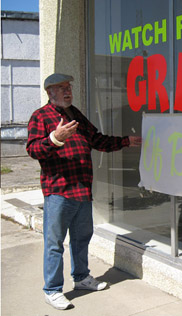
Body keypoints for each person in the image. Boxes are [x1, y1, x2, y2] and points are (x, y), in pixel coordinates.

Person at [26, 73, 142, 310]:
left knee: (81, 239)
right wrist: (54, 139)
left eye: (69, 87)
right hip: (59, 192)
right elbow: (33, 149)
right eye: (62, 88)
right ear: (50, 92)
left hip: (82, 190)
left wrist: (126, 141)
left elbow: (97, 140)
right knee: (55, 243)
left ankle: (81, 278)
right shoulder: (40, 116)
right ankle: (53, 290)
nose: (68, 91)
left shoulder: (74, 114)